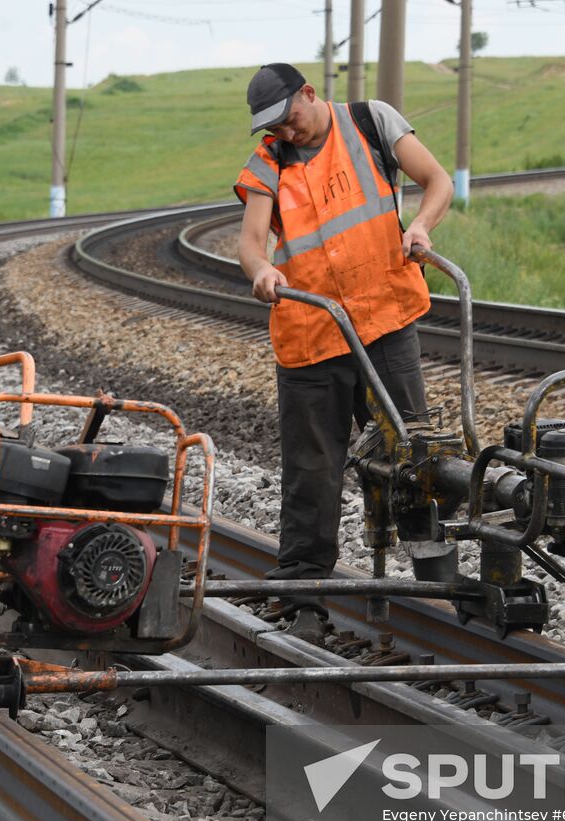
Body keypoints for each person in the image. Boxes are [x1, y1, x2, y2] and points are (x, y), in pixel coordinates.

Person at [233, 63, 453, 642]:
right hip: (311, 334)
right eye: (272, 128)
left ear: (309, 93)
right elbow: (252, 241)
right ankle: (305, 597)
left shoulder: (371, 122)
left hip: (385, 321)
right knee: (313, 469)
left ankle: (441, 581)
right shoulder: (268, 163)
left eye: (289, 118)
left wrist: (421, 228)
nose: (284, 132)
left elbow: (438, 181)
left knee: (412, 453)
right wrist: (260, 270)